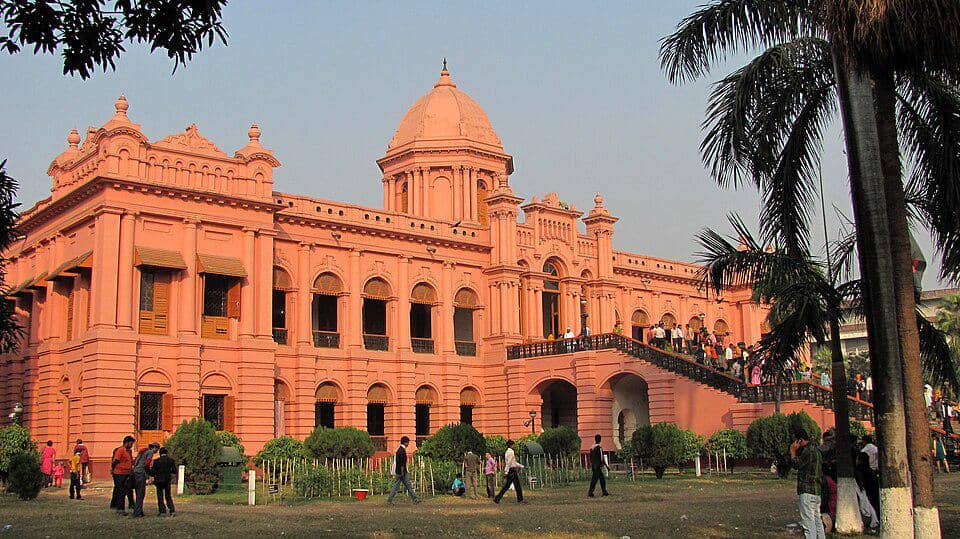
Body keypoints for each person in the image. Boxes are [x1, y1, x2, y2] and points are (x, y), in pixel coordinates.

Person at [790, 427, 825, 539]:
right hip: (816, 490)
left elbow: (797, 465)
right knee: (817, 520)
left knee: (808, 523)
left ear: (800, 440)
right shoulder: (816, 450)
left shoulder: (808, 452)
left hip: (807, 490)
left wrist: (793, 452)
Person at [387, 436, 420, 504]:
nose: (408, 444)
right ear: (405, 443)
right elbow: (402, 463)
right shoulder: (402, 451)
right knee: (398, 486)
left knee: (406, 485)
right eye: (408, 442)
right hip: (402, 472)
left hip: (399, 471)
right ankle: (389, 500)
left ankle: (415, 498)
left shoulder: (399, 450)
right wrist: (402, 473)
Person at [131, 441, 159, 517]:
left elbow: (135, 462)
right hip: (141, 473)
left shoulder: (142, 452)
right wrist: (150, 473)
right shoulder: (150, 452)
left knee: (138, 493)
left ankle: (139, 511)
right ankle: (137, 512)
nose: (157, 451)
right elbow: (147, 463)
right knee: (141, 493)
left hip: (135, 472)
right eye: (157, 449)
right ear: (154, 448)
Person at [493, 440, 525, 504]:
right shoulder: (511, 452)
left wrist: (522, 466)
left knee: (509, 486)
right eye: (513, 445)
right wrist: (506, 471)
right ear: (511, 445)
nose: (514, 446)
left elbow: (513, 462)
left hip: (511, 470)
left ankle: (497, 498)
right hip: (511, 470)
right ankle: (520, 499)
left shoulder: (507, 452)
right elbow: (510, 462)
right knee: (515, 485)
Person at [111, 436, 135, 515]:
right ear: (127, 442)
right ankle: (120, 509)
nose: (131, 445)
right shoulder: (121, 450)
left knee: (125, 490)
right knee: (121, 491)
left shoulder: (129, 451)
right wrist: (113, 470)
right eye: (131, 443)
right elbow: (115, 461)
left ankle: (121, 507)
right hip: (119, 473)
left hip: (126, 473)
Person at [149, 447, 177, 515]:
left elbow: (152, 472)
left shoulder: (156, 461)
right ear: (167, 453)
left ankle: (162, 511)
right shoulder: (171, 460)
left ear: (160, 453)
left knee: (160, 496)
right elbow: (174, 471)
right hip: (167, 479)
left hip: (159, 480)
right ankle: (172, 510)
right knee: (168, 495)